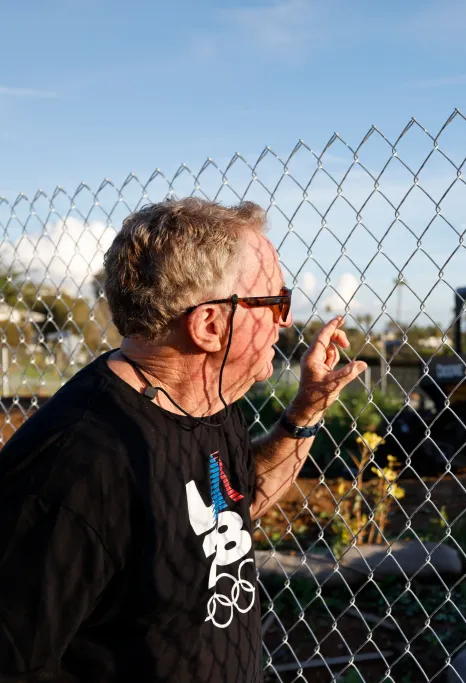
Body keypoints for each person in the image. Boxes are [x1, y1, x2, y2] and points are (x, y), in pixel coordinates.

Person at [0, 198, 368, 682]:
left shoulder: (204, 402)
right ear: (211, 326)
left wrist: (307, 409)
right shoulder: (75, 469)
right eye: (277, 302)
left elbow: (236, 503)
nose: (287, 321)